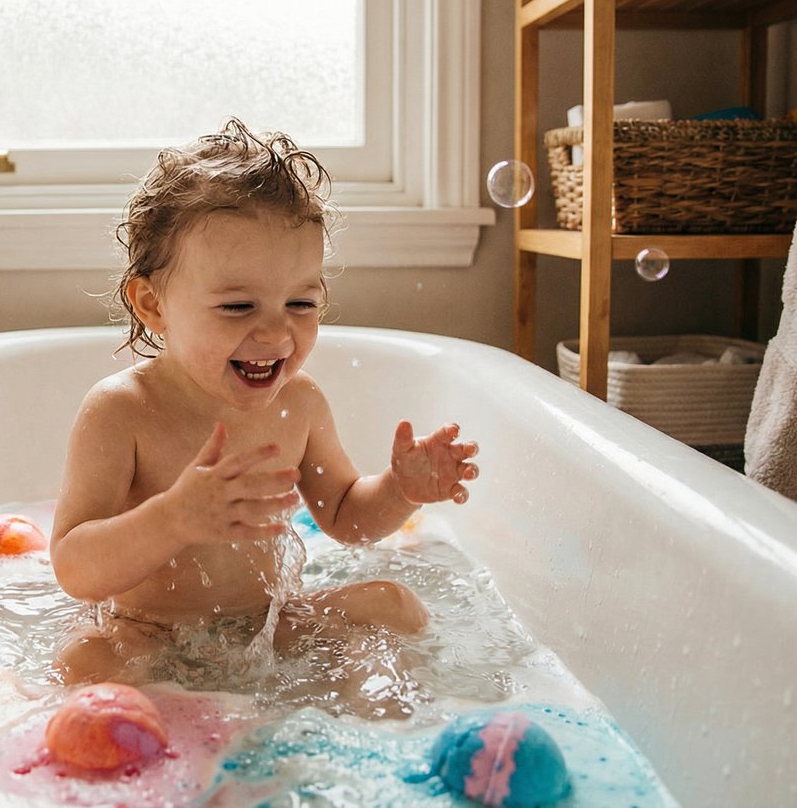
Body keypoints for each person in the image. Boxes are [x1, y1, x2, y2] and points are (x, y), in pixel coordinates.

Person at [49, 119, 479, 713]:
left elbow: (348, 518)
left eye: (301, 303)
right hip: (146, 632)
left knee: (393, 603)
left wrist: (401, 491)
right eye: (237, 306)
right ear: (153, 305)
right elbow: (74, 567)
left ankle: (390, 725)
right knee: (84, 662)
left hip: (269, 625)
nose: (277, 331)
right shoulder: (122, 412)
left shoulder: (298, 404)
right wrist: (172, 518)